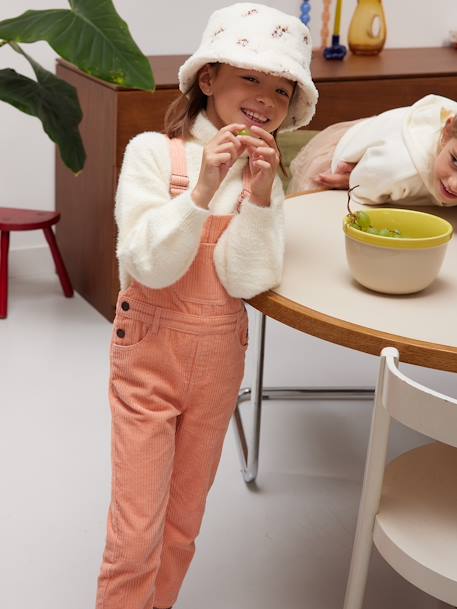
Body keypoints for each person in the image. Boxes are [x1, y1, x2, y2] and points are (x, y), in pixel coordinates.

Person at [95, 4, 318, 609]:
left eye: (281, 89)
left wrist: (264, 196)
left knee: (182, 529)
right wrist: (201, 189)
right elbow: (148, 263)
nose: (267, 98)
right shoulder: (153, 154)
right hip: (148, 362)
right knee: (135, 534)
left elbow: (248, 281)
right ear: (209, 79)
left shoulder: (264, 173)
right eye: (252, 78)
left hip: (219, 366)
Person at [287, 94, 457, 207]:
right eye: (455, 161)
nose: (455, 185)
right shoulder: (398, 169)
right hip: (356, 170)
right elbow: (362, 191)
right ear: (446, 132)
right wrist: (354, 181)